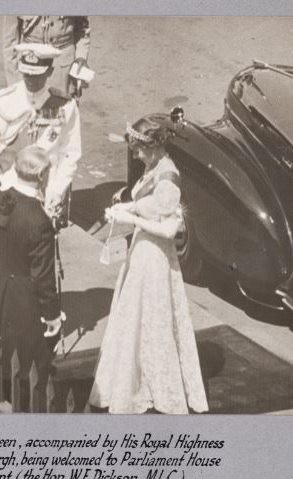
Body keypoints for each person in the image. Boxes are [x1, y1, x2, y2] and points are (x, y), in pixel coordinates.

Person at [88, 117, 209, 414]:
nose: (135, 155)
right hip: (141, 251)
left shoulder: (169, 180)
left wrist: (131, 219)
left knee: (152, 317)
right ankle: (136, 378)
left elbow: (169, 230)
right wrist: (125, 207)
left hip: (155, 257)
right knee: (135, 316)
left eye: (139, 150)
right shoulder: (154, 166)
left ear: (154, 147)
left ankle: (155, 385)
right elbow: (147, 204)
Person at [0, 146, 63, 411]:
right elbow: (43, 277)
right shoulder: (39, 220)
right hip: (26, 300)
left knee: (2, 348)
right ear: (43, 176)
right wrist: (52, 315)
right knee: (30, 362)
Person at [0, 43, 82, 217]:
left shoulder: (66, 106)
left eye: (36, 74)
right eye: (26, 72)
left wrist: (57, 190)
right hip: (5, 186)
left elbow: (70, 153)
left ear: (50, 71)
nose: (30, 78)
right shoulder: (1, 101)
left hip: (43, 194)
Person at [2, 16, 91, 94]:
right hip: (29, 66)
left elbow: (82, 29)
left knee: (64, 109)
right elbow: (10, 42)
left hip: (63, 69)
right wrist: (13, 82)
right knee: (29, 110)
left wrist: (81, 56)